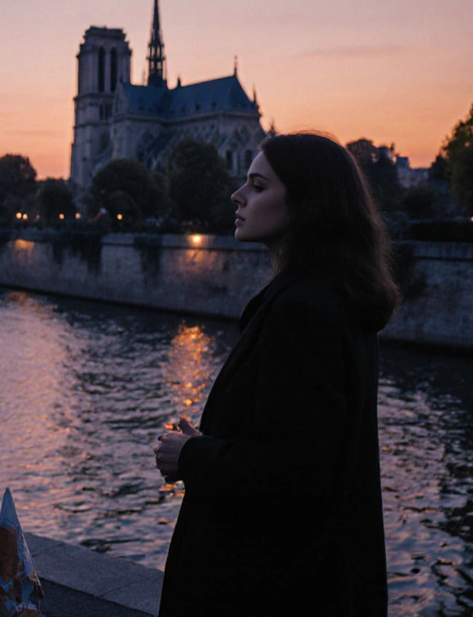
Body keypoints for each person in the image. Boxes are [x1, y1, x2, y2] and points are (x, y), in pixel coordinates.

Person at [153, 132, 398, 616]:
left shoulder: (300, 309)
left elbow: (295, 476)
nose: (237, 195)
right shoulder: (338, 297)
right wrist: (217, 441)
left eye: (258, 186)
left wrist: (192, 457)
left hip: (267, 590)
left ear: (308, 203)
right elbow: (302, 444)